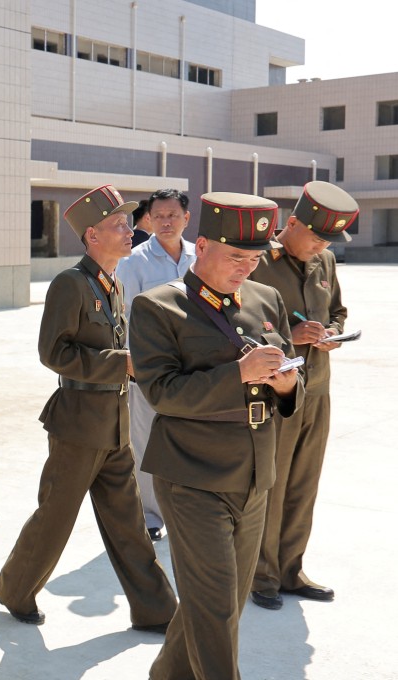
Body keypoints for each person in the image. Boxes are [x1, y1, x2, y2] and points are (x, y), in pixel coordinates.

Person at [129, 192, 304, 680]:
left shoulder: (267, 300)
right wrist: (240, 374)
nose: (246, 268)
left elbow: (291, 382)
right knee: (218, 608)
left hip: (253, 474)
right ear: (201, 245)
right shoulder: (158, 307)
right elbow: (162, 393)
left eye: (253, 258)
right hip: (192, 475)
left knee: (220, 601)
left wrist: (289, 384)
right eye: (235, 257)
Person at [0, 185, 177, 631]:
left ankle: (156, 610)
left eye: (129, 222)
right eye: (118, 224)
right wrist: (123, 364)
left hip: (113, 425)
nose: (130, 230)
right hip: (77, 425)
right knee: (55, 517)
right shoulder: (70, 284)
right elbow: (53, 353)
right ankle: (16, 590)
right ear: (91, 235)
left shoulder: (111, 283)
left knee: (130, 522)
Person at [249, 181, 357, 610]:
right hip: (277, 391)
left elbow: (337, 312)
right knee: (271, 484)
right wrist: (288, 336)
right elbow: (240, 321)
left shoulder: (324, 261)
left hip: (319, 388)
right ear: (290, 223)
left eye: (327, 239)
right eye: (314, 235)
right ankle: (262, 575)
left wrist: (332, 333)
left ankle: (292, 569)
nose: (320, 245)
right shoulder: (258, 264)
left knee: (304, 482)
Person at [117, 189, 196, 541]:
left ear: (186, 219)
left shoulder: (200, 257)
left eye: (172, 215)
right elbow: (123, 316)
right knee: (145, 441)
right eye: (158, 216)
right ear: (148, 220)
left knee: (190, 440)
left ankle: (184, 508)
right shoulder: (133, 262)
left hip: (195, 367)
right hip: (150, 371)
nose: (165, 222)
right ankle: (149, 516)